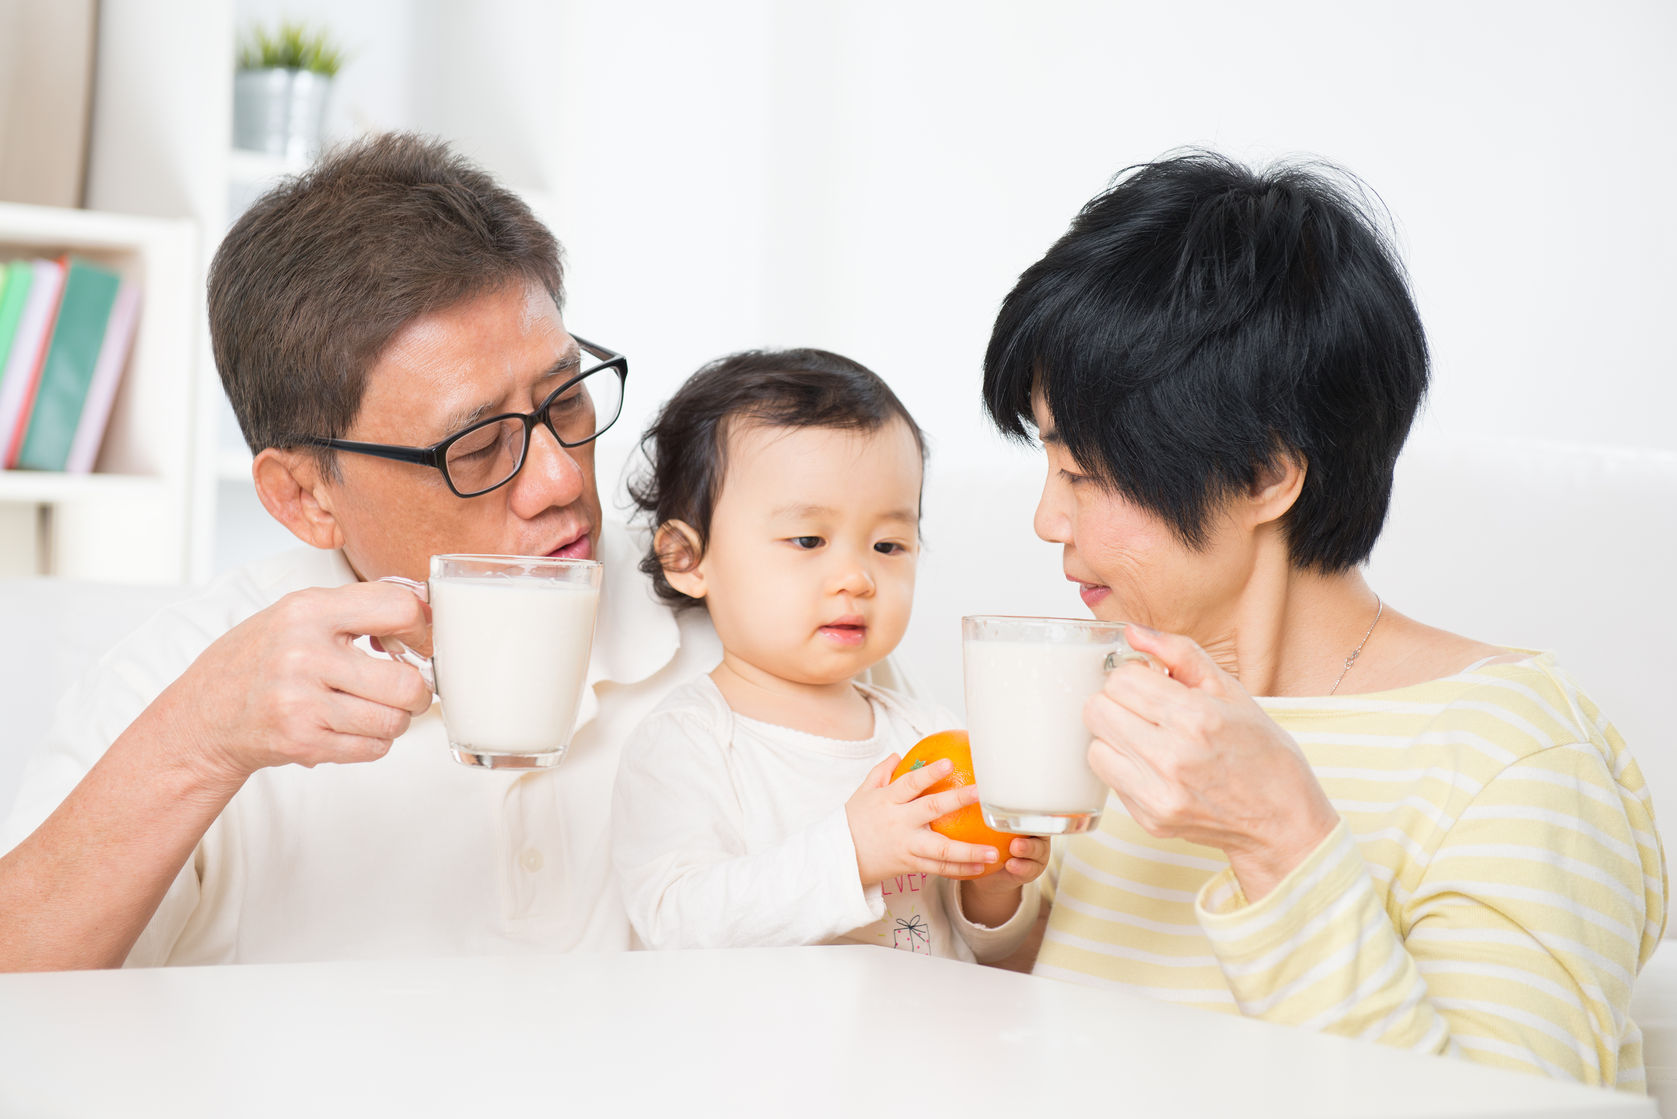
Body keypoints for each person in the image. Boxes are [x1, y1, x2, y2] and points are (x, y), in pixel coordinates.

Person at [0, 132, 771, 968]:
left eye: (568, 400)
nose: (555, 477)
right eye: (476, 445)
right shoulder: (189, 684)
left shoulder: (755, 614)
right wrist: (198, 744)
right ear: (305, 496)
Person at [981, 152, 1667, 1089]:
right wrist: (978, 896)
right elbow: (1054, 1025)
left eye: (1083, 474)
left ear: (1266, 475)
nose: (1046, 520)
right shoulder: (1130, 698)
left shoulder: (1511, 755)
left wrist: (1278, 835)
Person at [611, 349, 1046, 959]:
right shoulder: (689, 741)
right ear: (687, 559)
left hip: (923, 1044)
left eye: (889, 545)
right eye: (808, 539)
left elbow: (984, 953)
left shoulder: (932, 736)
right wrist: (854, 852)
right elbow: (675, 921)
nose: (856, 577)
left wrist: (993, 888)